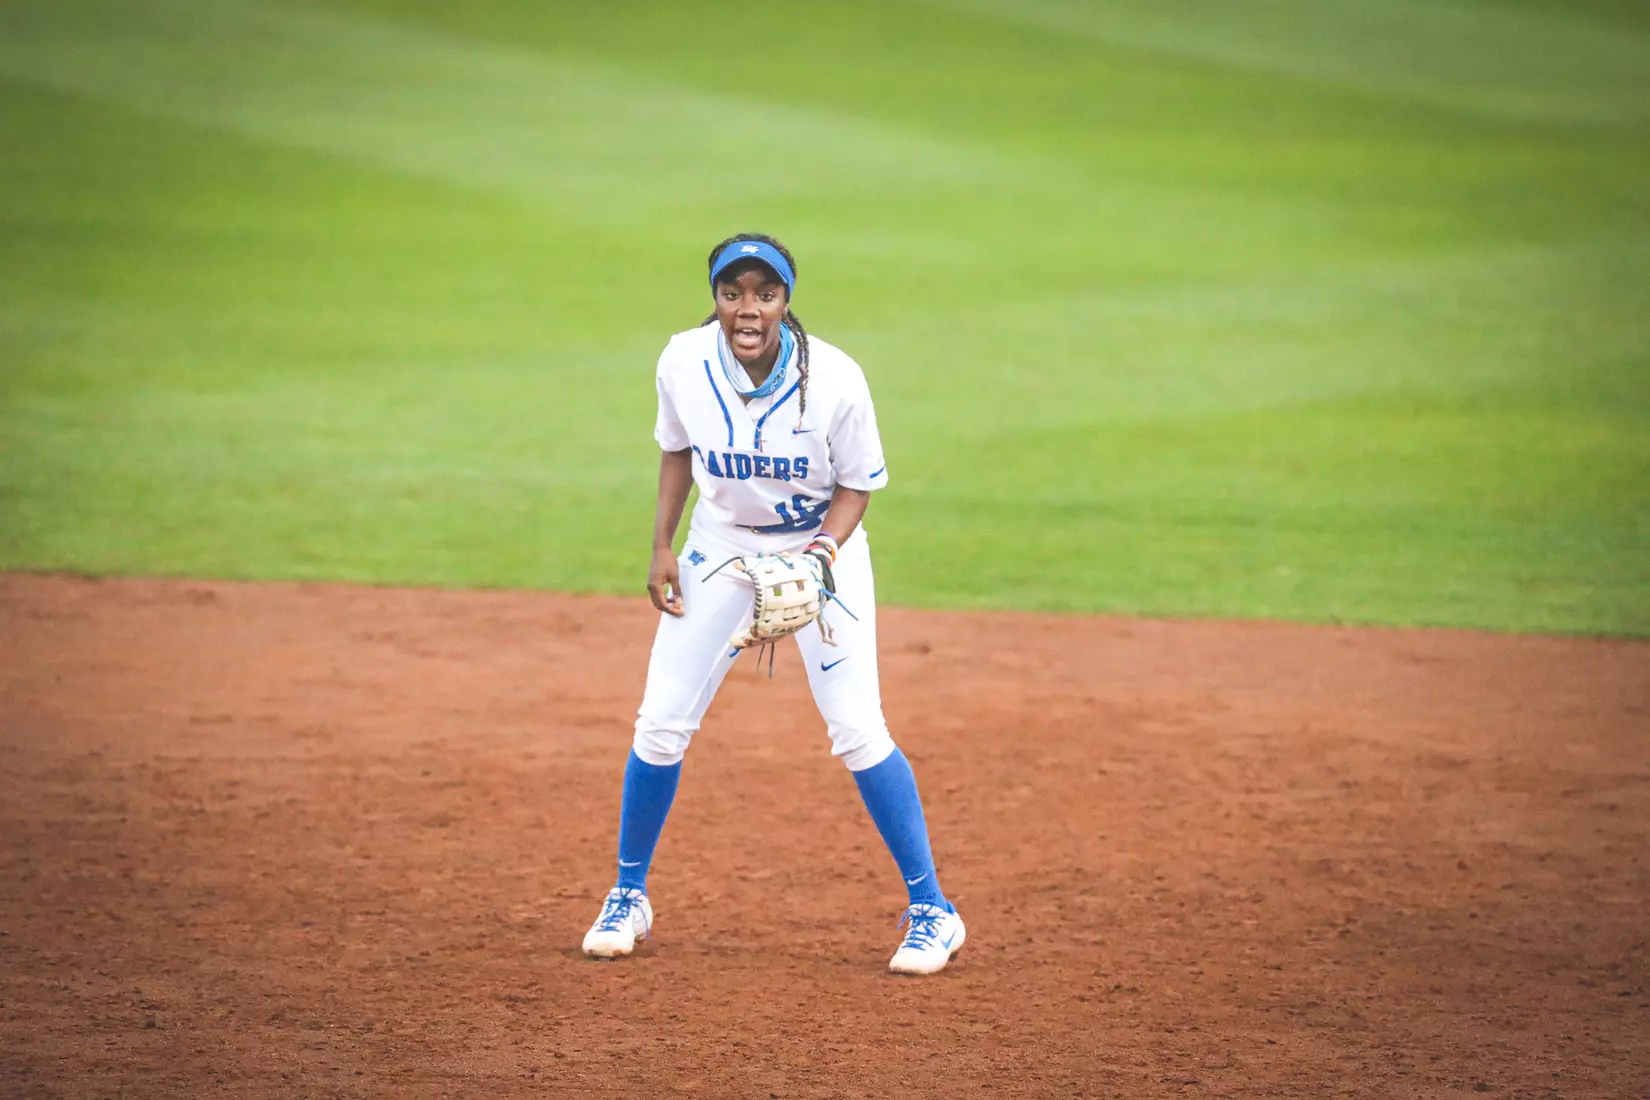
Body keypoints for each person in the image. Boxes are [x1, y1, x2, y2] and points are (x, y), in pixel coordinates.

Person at [580, 233, 965, 975]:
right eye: (732, 293)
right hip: (720, 543)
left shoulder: (838, 381)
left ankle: (934, 912)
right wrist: (662, 545)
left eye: (764, 294)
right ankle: (628, 894)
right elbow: (677, 451)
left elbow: (859, 485)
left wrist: (821, 555)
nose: (746, 309)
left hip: (821, 547)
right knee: (660, 724)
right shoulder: (682, 362)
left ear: (786, 303)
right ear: (716, 300)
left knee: (857, 728)